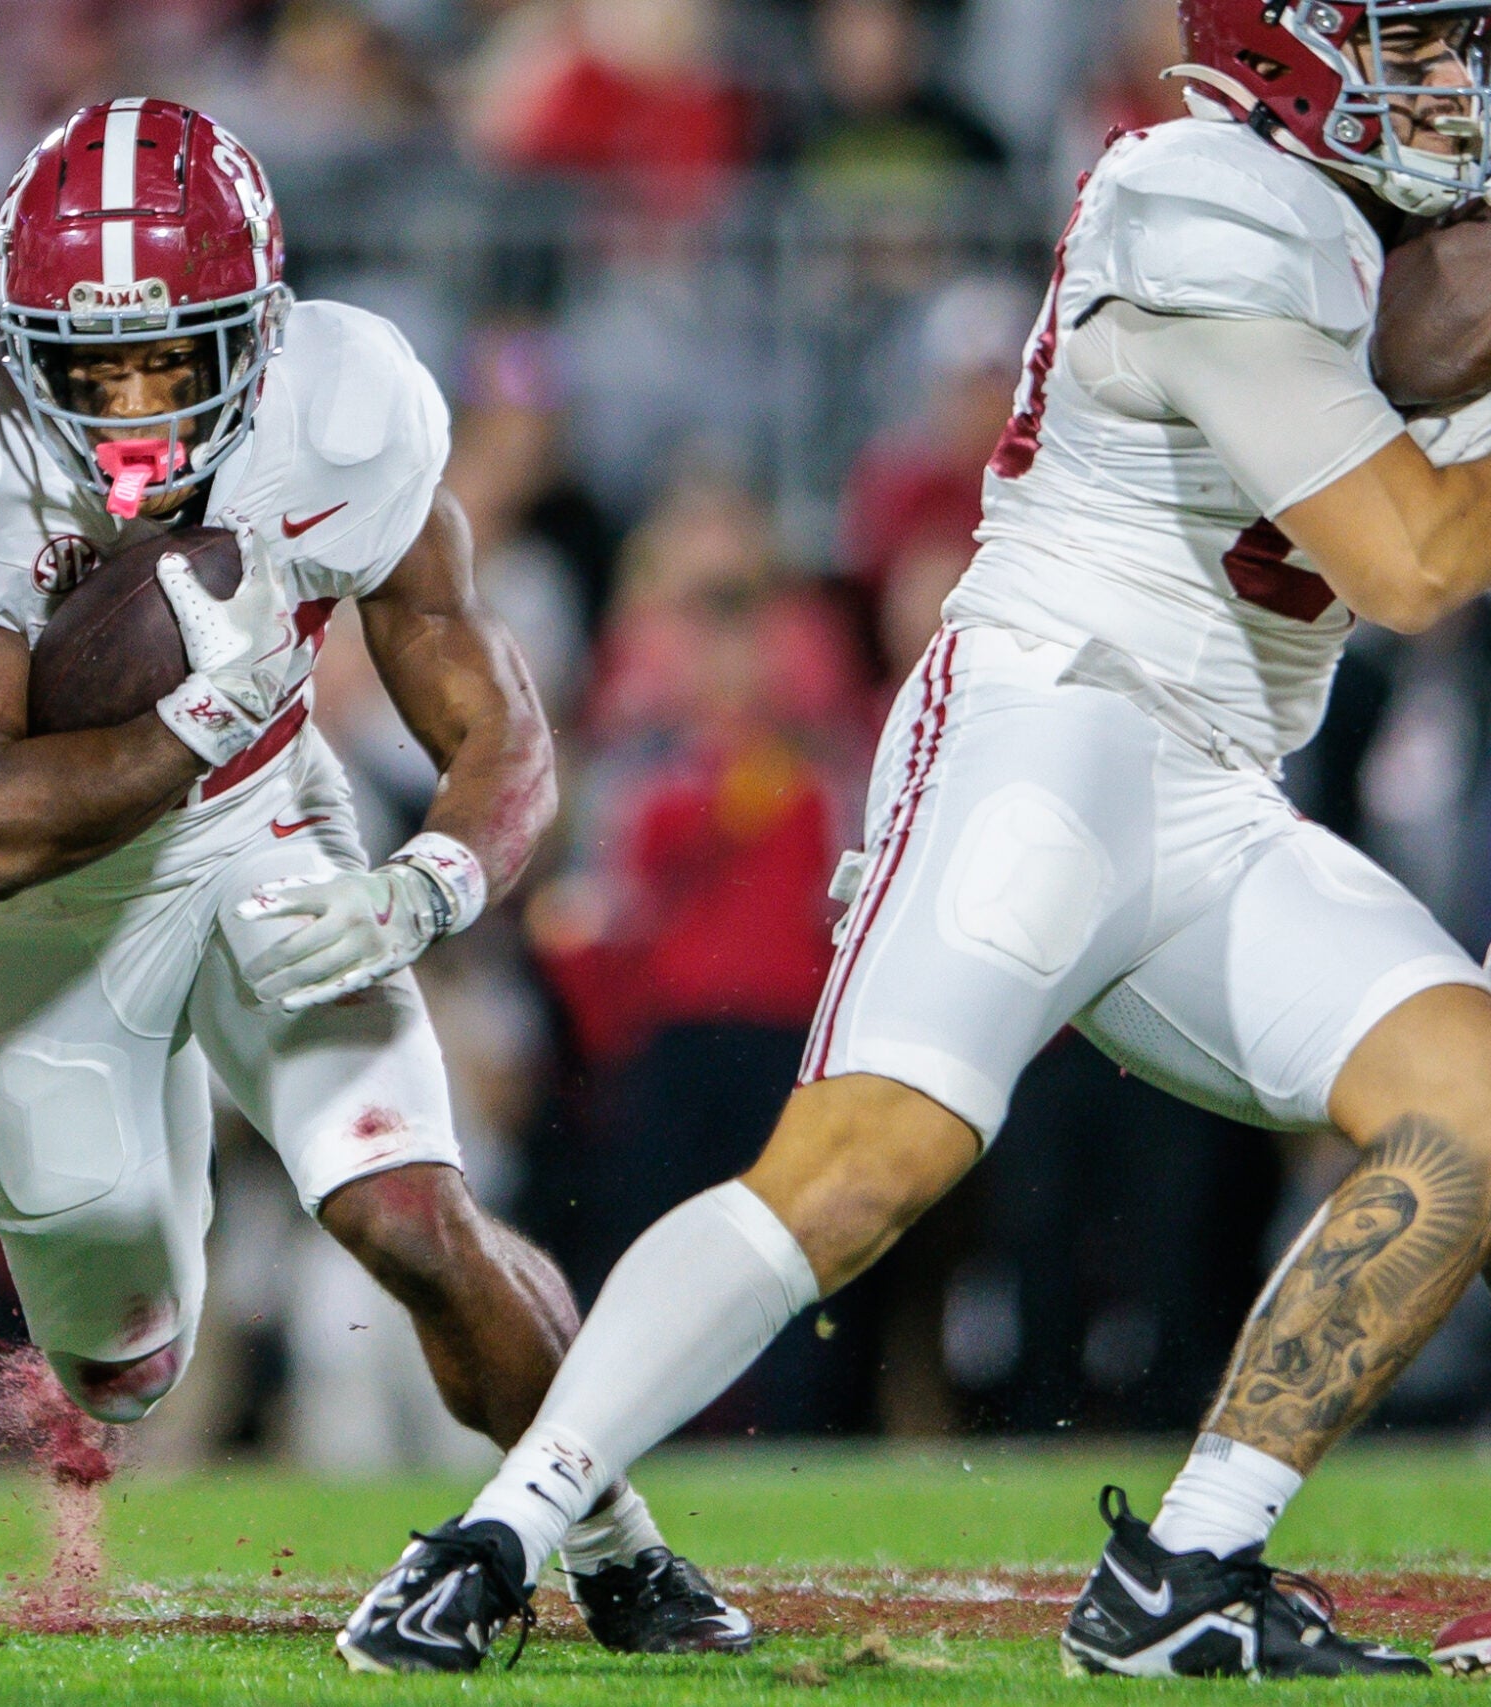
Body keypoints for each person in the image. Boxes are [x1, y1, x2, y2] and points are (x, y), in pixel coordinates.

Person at [343, 0, 1491, 1679]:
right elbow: (1411, 561)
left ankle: (1190, 1567)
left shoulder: (1389, 236)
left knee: (1468, 1112)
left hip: (1220, 786)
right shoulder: (1205, 194)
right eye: (1416, 50)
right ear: (1291, 56)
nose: (1456, 84)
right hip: (1052, 724)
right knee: (867, 1162)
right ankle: (497, 1537)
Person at [0, 98, 749, 1663]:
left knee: (411, 1211)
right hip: (58, 904)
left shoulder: (345, 399)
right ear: (5, 347)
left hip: (270, 832)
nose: (125, 403)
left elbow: (494, 713)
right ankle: (151, 1157)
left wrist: (435, 882)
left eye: (167, 357)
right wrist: (198, 712)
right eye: (85, 361)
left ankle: (612, 1542)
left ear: (259, 331)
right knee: (119, 1359)